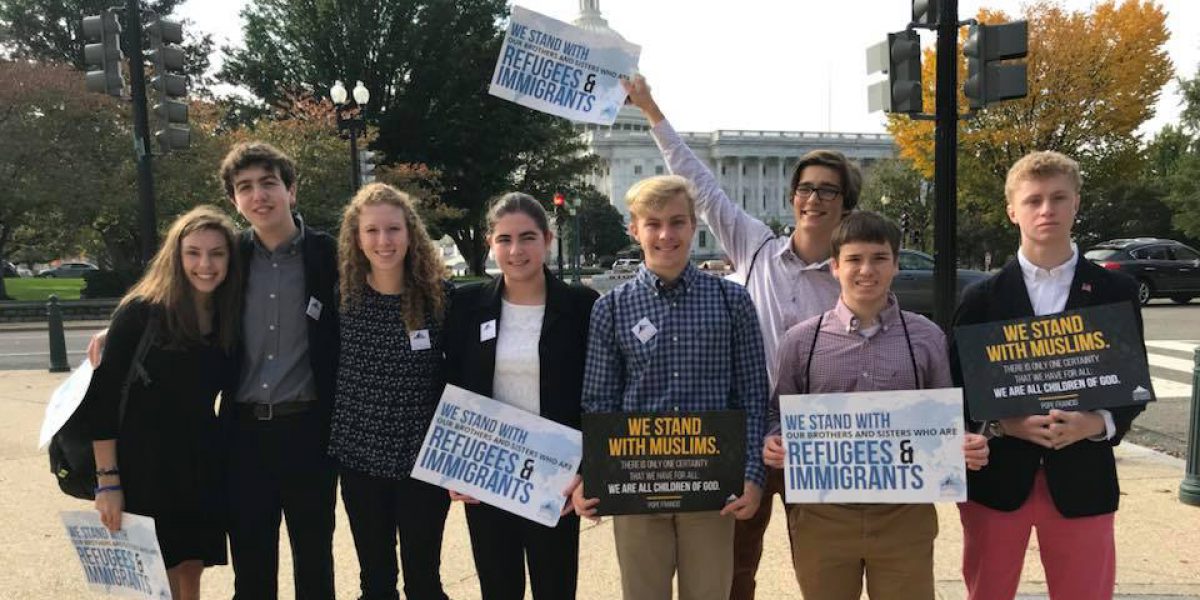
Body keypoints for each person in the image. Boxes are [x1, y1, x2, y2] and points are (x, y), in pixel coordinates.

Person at [622, 74, 859, 599]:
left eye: (828, 191)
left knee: (824, 566)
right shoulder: (755, 245)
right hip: (747, 431)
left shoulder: (851, 276)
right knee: (733, 569)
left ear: (846, 203)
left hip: (817, 434)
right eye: (805, 189)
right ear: (793, 198)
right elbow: (699, 184)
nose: (814, 199)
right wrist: (649, 108)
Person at [88, 142, 341, 598]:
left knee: (315, 562)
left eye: (269, 183)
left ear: (291, 190)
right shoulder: (229, 255)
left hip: (309, 432)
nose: (258, 195)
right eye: (245, 187)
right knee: (252, 566)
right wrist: (117, 330)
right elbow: (176, 294)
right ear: (234, 200)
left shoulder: (330, 256)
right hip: (242, 436)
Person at [762, 211, 989, 599]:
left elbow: (945, 419)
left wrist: (965, 443)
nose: (866, 270)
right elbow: (776, 414)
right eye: (854, 259)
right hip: (823, 515)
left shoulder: (926, 337)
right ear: (834, 267)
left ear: (896, 264)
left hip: (904, 513)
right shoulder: (802, 341)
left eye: (879, 258)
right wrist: (775, 440)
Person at [950, 151, 1145, 600]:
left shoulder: (1115, 291)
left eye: (1058, 198)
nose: (1046, 210)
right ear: (1012, 211)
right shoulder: (981, 298)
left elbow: (1132, 383)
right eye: (1033, 200)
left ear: (1076, 204)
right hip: (998, 480)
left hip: (1084, 477)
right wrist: (1003, 424)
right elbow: (959, 389)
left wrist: (1094, 423)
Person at [570, 175, 769, 600]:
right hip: (637, 484)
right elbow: (600, 401)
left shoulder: (732, 301)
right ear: (634, 229)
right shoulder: (612, 308)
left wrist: (753, 474)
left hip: (712, 485)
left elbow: (752, 394)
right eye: (653, 224)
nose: (666, 235)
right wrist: (594, 473)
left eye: (677, 222)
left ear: (693, 225)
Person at [443, 192, 599, 600]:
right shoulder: (465, 306)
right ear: (490, 243)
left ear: (547, 239)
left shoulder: (582, 306)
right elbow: (450, 384)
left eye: (528, 237)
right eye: (505, 239)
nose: (516, 251)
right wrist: (453, 466)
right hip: (489, 475)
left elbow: (599, 393)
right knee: (498, 588)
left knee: (556, 588)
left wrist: (589, 469)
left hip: (557, 478)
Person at [82, 205, 242, 600]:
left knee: (192, 566)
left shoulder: (228, 314)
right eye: (193, 253)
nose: (205, 265)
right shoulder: (142, 311)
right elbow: (102, 400)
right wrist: (107, 481)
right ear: (176, 255)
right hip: (145, 464)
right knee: (157, 578)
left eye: (217, 253)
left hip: (201, 459)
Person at [329, 182, 453, 600]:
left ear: (410, 233)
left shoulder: (439, 298)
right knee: (376, 581)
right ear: (357, 237)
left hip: (423, 461)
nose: (384, 240)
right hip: (360, 457)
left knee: (424, 580)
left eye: (393, 229)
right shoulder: (342, 298)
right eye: (372, 230)